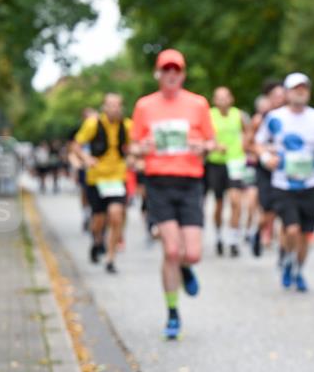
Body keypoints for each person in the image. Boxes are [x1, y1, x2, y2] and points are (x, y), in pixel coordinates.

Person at [131, 49, 215, 339]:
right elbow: (133, 148)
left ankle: (186, 268)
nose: (171, 75)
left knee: (192, 253)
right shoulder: (144, 106)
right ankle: (172, 313)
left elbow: (211, 142)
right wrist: (142, 149)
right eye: (166, 70)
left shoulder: (198, 104)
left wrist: (201, 147)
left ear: (183, 74)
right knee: (171, 250)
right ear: (158, 74)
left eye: (176, 70)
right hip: (159, 183)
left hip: (191, 182)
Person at [255, 72, 314, 292]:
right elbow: (259, 143)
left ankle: (297, 269)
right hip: (284, 184)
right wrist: (265, 158)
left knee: (305, 235)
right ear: (288, 93)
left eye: (304, 88)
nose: (301, 92)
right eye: (296, 89)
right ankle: (288, 256)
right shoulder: (275, 117)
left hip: (310, 183)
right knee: (291, 230)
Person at [72, 93, 133, 274]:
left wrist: (134, 158)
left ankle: (110, 257)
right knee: (98, 219)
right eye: (110, 105)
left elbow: (135, 146)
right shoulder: (93, 124)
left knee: (116, 215)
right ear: (104, 107)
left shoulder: (128, 125)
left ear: (121, 107)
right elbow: (75, 145)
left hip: (117, 178)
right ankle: (97, 241)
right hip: (96, 178)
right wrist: (86, 158)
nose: (113, 108)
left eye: (117, 105)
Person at [205, 86, 251, 257]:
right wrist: (216, 146)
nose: (223, 101)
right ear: (215, 100)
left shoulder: (238, 114)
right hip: (216, 162)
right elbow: (204, 137)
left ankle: (233, 239)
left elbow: (248, 132)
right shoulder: (209, 115)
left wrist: (244, 145)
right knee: (218, 203)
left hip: (235, 161)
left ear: (231, 99)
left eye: (226, 97)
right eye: (219, 97)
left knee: (236, 201)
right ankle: (218, 236)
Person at [250, 80, 286, 257]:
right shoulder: (260, 119)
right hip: (265, 170)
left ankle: (283, 251)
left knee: (285, 212)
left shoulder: (291, 116)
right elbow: (249, 144)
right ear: (269, 98)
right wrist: (265, 153)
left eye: (282, 95)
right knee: (268, 212)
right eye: (275, 96)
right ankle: (258, 233)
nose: (279, 99)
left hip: (285, 170)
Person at [241, 94, 268, 255]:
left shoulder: (276, 122)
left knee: (265, 206)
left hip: (268, 170)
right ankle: (249, 230)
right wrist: (259, 152)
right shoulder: (256, 122)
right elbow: (246, 145)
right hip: (253, 166)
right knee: (252, 202)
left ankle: (261, 232)